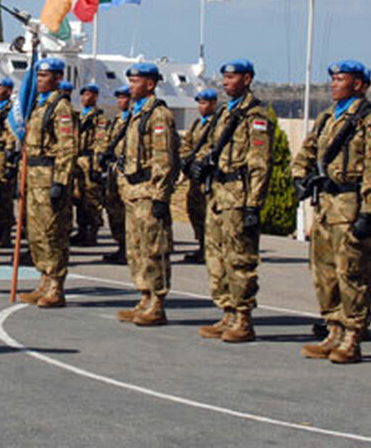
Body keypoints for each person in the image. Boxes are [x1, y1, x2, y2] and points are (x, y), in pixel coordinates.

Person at [292, 60, 371, 363]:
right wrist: (300, 178)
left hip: (350, 207)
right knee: (325, 274)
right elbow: (306, 153)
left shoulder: (370, 122)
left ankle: (352, 335)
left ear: (359, 85)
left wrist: (369, 212)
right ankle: (333, 329)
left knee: (352, 274)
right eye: (333, 79)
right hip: (324, 206)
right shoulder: (326, 118)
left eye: (341, 79)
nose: (334, 84)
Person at [192, 60, 273, 342]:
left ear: (247, 79)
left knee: (240, 260)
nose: (226, 81)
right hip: (218, 193)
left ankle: (243, 318)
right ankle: (227, 311)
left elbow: (260, 164)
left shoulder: (255, 116)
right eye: (224, 77)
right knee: (216, 259)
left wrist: (253, 204)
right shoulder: (225, 113)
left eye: (232, 76)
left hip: (238, 196)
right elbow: (212, 148)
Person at [116, 63, 178, 326]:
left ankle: (157, 302)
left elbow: (164, 159)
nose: (130, 86)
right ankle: (144, 297)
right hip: (133, 191)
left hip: (149, 190)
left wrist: (161, 196)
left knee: (154, 249)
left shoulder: (159, 115)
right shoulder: (135, 113)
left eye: (135, 82)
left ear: (150, 84)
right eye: (130, 81)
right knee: (136, 249)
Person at [19, 58, 75, 308]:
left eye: (44, 76)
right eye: (38, 75)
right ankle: (44, 278)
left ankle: (56, 285)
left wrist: (60, 182)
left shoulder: (60, 108)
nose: (39, 80)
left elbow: (67, 148)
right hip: (34, 177)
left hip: (49, 176)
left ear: (57, 78)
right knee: (36, 233)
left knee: (53, 232)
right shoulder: (37, 106)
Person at [179, 89, 218, 263]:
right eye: (200, 103)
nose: (201, 107)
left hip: (207, 175)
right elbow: (187, 144)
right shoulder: (196, 124)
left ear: (213, 104)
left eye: (204, 103)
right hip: (194, 175)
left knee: (207, 213)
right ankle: (202, 245)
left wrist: (200, 161)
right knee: (194, 211)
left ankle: (210, 248)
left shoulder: (217, 124)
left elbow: (214, 148)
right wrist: (187, 160)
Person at [99, 85, 131, 263]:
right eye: (119, 98)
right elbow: (106, 141)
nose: (121, 101)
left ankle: (129, 248)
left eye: (125, 98)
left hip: (127, 171)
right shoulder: (117, 120)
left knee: (127, 211)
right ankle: (121, 244)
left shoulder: (134, 119)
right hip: (114, 170)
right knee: (113, 209)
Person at [74, 83, 108, 245]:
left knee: (91, 198)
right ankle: (81, 230)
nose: (85, 98)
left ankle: (92, 232)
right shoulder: (78, 116)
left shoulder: (99, 118)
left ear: (95, 97)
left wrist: (97, 166)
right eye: (83, 95)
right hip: (77, 160)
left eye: (89, 95)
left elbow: (101, 142)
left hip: (89, 160)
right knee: (79, 197)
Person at [0, 77, 17, 247]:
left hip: (4, 154)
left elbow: (12, 134)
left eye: (1, 88)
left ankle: (5, 233)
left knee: (5, 197)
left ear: (8, 91)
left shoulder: (11, 110)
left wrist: (10, 159)